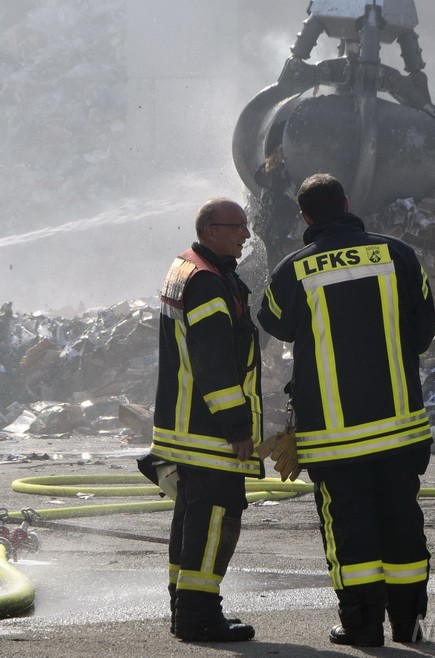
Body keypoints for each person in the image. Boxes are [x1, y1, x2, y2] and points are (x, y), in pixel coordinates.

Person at [257, 173, 435, 647]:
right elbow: (423, 330)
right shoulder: (398, 254)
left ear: (305, 216)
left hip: (335, 437)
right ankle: (410, 626)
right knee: (403, 524)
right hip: (400, 428)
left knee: (349, 531)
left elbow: (273, 320)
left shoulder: (295, 269)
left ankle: (361, 626)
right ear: (348, 203)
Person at [148, 198, 263, 642]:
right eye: (237, 227)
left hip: (183, 425)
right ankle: (199, 616)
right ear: (211, 230)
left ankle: (184, 606)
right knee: (216, 517)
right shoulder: (208, 283)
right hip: (207, 429)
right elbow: (214, 363)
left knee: (193, 517)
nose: (246, 235)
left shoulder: (187, 268)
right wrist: (237, 427)